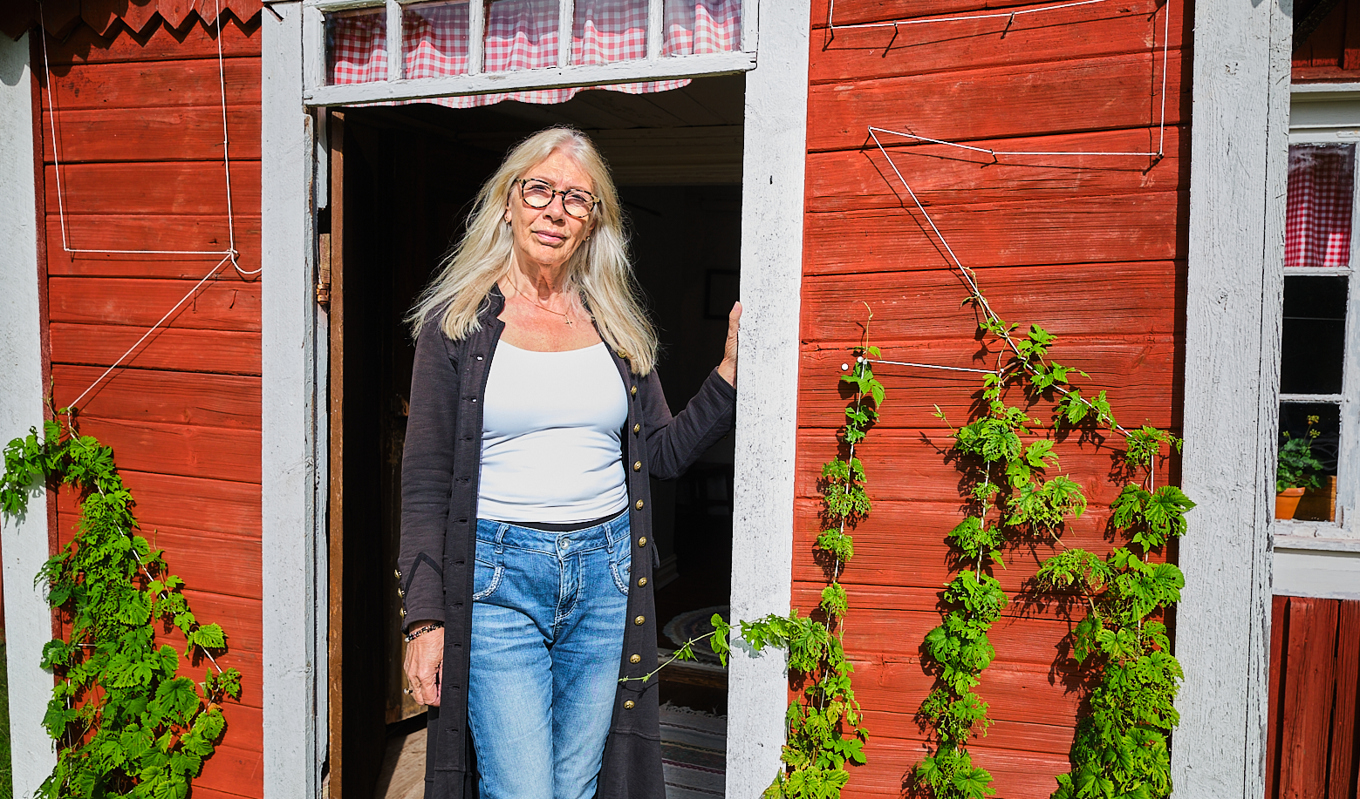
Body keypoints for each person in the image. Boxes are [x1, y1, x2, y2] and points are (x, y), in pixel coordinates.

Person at [395, 126, 740, 799]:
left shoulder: (615, 323)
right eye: (541, 189)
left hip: (607, 575)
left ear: (593, 222)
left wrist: (728, 374)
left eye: (577, 199)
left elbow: (663, 453)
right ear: (508, 201)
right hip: (497, 580)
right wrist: (426, 619)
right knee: (521, 787)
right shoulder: (455, 323)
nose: (555, 209)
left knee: (578, 785)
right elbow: (426, 481)